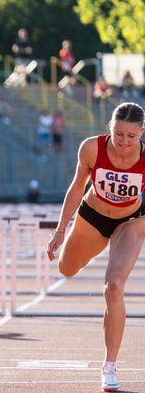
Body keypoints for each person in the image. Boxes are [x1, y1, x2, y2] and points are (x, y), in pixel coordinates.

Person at [47, 102, 145, 392]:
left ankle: (110, 366)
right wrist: (60, 229)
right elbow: (77, 187)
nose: (124, 141)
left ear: (142, 133)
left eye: (131, 135)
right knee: (66, 268)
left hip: (131, 220)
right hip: (92, 216)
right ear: (109, 129)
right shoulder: (91, 148)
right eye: (118, 134)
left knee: (113, 286)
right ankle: (93, 247)